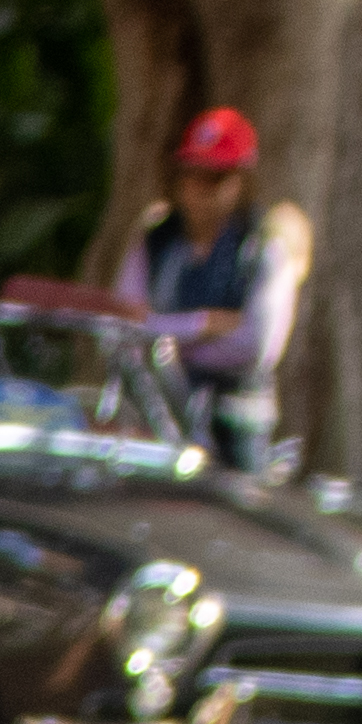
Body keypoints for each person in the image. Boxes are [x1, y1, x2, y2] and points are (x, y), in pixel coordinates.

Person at [118, 110, 311, 475]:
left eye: (215, 177)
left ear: (240, 182)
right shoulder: (155, 240)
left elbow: (255, 345)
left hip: (236, 426)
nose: (199, 189)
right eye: (192, 174)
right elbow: (125, 323)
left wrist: (162, 333)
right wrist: (202, 325)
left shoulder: (265, 247)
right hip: (156, 416)